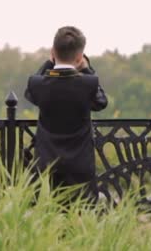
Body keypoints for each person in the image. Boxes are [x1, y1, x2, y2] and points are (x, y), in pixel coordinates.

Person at [24, 26, 108, 203]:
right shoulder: (89, 83)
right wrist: (86, 69)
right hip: (80, 165)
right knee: (81, 219)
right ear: (79, 57)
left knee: (49, 219)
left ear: (53, 51)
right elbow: (101, 102)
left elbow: (30, 94)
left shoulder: (38, 84)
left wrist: (49, 63)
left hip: (47, 165)